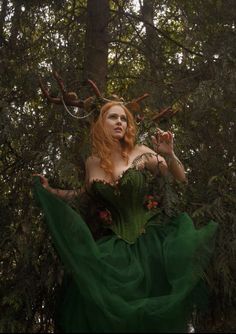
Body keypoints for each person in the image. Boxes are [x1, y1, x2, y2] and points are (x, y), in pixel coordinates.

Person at [33, 101, 217, 333]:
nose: (119, 122)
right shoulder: (92, 162)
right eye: (113, 117)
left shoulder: (140, 152)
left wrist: (169, 154)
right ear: (102, 124)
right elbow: (82, 193)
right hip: (116, 251)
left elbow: (180, 177)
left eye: (124, 118)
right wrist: (51, 191)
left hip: (151, 244)